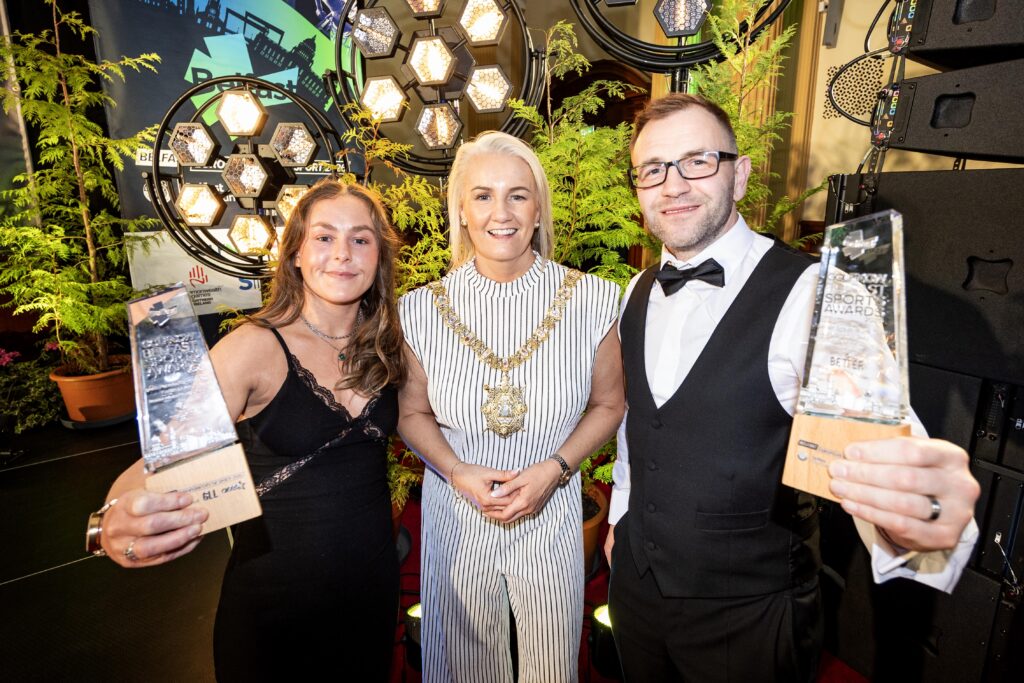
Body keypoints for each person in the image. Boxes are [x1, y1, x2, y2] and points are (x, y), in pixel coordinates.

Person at [604, 94, 981, 682]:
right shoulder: (636, 291)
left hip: (750, 616)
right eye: (653, 169)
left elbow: (880, 447)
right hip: (636, 593)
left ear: (740, 173)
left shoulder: (817, 296)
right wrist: (621, 519)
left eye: (697, 161)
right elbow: (638, 425)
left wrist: (916, 515)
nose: (673, 184)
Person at [88, 179, 406, 681]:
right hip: (275, 612)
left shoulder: (389, 345)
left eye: (360, 239)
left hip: (370, 594)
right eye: (324, 237)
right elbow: (159, 461)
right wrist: (112, 518)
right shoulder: (253, 347)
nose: (343, 253)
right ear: (296, 253)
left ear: (378, 256)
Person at [398, 131, 624, 682]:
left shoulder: (593, 299)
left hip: (553, 508)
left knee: (551, 665)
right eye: (483, 195)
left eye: (517, 195)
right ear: (461, 211)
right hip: (457, 515)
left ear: (539, 208)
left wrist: (556, 468)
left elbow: (609, 403)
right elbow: (411, 415)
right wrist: (456, 471)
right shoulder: (419, 310)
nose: (501, 212)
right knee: (462, 667)